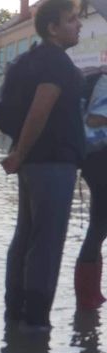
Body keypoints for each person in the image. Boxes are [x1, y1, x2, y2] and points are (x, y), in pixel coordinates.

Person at [1, 0, 84, 332]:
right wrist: (20, 152)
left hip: (34, 163)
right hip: (51, 163)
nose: (79, 25)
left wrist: (21, 154)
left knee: (26, 237)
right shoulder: (56, 63)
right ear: (54, 28)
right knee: (47, 243)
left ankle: (15, 314)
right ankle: (36, 323)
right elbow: (40, 110)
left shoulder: (29, 59)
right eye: (73, 19)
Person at [75, 71, 107, 309]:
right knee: (100, 224)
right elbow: (95, 119)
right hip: (99, 157)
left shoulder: (98, 80)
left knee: (100, 223)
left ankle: (92, 293)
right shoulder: (104, 82)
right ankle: (88, 296)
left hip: (94, 157)